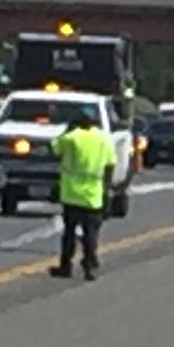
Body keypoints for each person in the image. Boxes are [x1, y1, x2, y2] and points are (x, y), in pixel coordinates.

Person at [49, 108, 116, 281]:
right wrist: (107, 188)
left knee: (69, 232)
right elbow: (110, 164)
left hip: (71, 193)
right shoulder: (103, 139)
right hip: (93, 193)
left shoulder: (71, 137)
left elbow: (54, 149)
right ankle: (90, 266)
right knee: (90, 233)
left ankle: (66, 266)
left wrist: (67, 130)